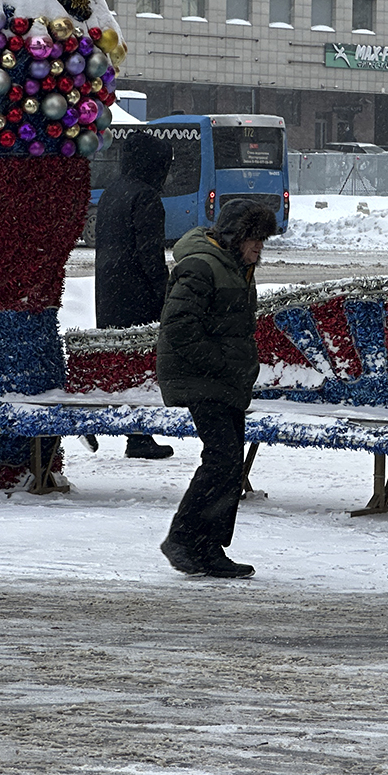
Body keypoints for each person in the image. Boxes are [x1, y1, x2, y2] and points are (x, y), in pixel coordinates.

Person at [156, 199, 278, 579]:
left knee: (228, 464)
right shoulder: (201, 266)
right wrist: (221, 364)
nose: (258, 247)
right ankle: (184, 538)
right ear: (232, 237)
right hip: (200, 378)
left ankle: (207, 546)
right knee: (222, 460)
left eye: (262, 239)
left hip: (223, 380)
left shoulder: (237, 268)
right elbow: (178, 327)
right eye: (252, 239)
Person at [92, 133, 175, 460]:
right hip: (137, 291)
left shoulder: (113, 191)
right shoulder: (146, 197)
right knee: (142, 363)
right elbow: (150, 254)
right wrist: (164, 292)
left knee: (118, 359)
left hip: (109, 288)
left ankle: (126, 429)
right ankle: (139, 437)